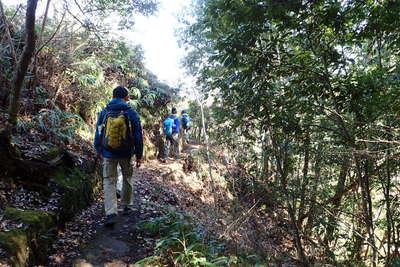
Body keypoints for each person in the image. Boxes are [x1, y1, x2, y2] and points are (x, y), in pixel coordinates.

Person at [94, 85, 143, 227]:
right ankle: (127, 206)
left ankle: (111, 213)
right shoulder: (131, 112)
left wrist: (99, 150)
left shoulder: (104, 111)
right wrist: (139, 155)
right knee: (127, 178)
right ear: (126, 97)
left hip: (108, 152)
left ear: (113, 96)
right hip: (126, 153)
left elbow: (98, 131)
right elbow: (138, 135)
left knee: (109, 181)